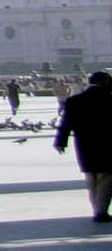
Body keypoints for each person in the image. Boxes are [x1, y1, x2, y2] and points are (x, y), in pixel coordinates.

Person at [55, 69, 112, 223]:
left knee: (91, 177)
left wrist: (60, 141)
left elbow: (66, 123)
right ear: (105, 82)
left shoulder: (75, 100)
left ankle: (97, 210)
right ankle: (101, 211)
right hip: (107, 143)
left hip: (84, 143)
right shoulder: (109, 99)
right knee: (105, 177)